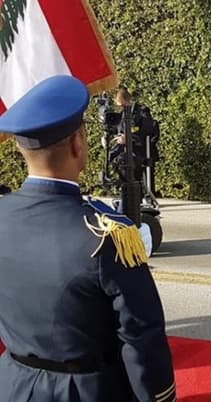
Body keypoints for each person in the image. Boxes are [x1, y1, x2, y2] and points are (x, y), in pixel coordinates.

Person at [0, 76, 176, 401]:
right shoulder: (106, 236)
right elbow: (141, 338)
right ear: (77, 143)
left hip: (13, 385)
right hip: (85, 391)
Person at [111, 86, 160, 199]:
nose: (121, 108)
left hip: (141, 148)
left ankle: (140, 195)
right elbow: (119, 129)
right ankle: (125, 192)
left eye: (123, 105)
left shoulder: (141, 112)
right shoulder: (123, 113)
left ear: (128, 101)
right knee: (116, 158)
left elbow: (147, 131)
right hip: (127, 148)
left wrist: (128, 137)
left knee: (130, 162)